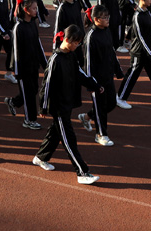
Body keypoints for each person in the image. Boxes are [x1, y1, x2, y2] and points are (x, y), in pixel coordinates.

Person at [34, 24, 103, 185]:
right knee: (69, 139)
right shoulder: (55, 60)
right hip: (58, 107)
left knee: (55, 133)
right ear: (66, 40)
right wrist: (43, 107)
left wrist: (95, 85)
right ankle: (82, 172)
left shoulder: (72, 56)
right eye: (76, 42)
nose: (77, 45)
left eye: (79, 43)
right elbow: (47, 85)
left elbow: (80, 73)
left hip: (67, 103)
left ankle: (40, 157)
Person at [78, 4, 123, 146]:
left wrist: (118, 69)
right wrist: (92, 84)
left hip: (108, 76)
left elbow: (111, 52)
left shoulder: (106, 31)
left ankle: (86, 116)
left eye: (107, 16)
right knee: (100, 107)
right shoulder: (91, 37)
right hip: (97, 80)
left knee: (111, 103)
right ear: (96, 19)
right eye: (104, 18)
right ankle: (101, 134)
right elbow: (88, 63)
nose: (107, 19)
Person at [6, 0, 47, 130]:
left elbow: (38, 45)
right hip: (22, 68)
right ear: (26, 10)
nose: (36, 11)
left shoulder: (33, 24)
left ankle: (13, 102)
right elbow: (16, 51)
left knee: (33, 90)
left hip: (33, 64)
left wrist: (45, 64)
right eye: (34, 8)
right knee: (28, 93)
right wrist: (17, 71)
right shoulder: (19, 27)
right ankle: (29, 119)